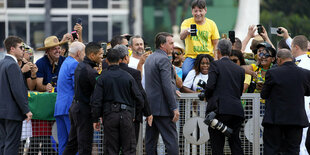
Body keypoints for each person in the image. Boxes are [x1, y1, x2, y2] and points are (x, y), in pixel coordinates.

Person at [92, 49, 144, 154]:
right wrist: (134, 114)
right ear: (119, 60)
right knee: (128, 149)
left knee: (111, 150)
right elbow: (139, 98)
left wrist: (95, 119)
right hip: (126, 115)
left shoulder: (102, 78)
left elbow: (96, 100)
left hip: (109, 116)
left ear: (106, 61)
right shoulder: (128, 77)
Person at [261, 49, 310, 155]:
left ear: (278, 59)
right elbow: (307, 92)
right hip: (296, 120)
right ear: (291, 58)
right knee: (293, 150)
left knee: (271, 149)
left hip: (275, 119)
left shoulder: (272, 73)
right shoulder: (305, 73)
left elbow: (264, 95)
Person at [204, 39, 245, 154]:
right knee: (235, 143)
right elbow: (240, 91)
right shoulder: (240, 70)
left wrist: (206, 95)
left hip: (219, 111)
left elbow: (210, 86)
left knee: (217, 145)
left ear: (218, 52)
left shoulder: (215, 65)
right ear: (230, 51)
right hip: (236, 110)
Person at [63, 42, 103, 155]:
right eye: (100, 54)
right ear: (92, 55)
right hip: (83, 111)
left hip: (75, 107)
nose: (102, 56)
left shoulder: (81, 66)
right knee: (85, 146)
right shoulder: (90, 71)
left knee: (73, 144)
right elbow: (98, 91)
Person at [144, 32, 180, 155]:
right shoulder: (164, 59)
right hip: (163, 109)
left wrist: (173, 89)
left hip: (151, 108)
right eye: (170, 43)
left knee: (150, 142)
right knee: (171, 141)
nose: (173, 46)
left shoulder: (149, 58)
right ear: (162, 45)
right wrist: (174, 107)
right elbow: (166, 85)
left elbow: (157, 83)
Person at [31, 36, 67, 154]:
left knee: (60, 137)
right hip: (45, 109)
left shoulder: (64, 60)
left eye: (59, 48)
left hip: (60, 105)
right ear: (47, 52)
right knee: (40, 140)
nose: (58, 51)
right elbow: (38, 85)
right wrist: (45, 87)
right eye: (54, 49)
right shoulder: (40, 63)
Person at [113, 44, 153, 143]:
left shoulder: (106, 73)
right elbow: (140, 94)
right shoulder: (134, 73)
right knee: (129, 147)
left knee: (112, 147)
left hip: (110, 115)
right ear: (126, 57)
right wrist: (147, 113)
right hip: (131, 116)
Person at [0, 36, 32, 155]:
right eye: (21, 47)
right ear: (12, 49)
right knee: (11, 146)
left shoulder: (2, 63)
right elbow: (17, 90)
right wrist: (26, 110)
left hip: (2, 112)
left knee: (3, 145)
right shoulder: (13, 65)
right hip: (12, 114)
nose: (23, 50)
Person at [54, 41, 85, 155]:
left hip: (60, 107)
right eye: (84, 52)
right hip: (70, 108)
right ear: (78, 53)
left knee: (63, 143)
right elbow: (77, 86)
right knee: (74, 142)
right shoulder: (75, 64)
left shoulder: (66, 62)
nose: (85, 55)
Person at [180, 0, 220, 79]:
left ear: (205, 10)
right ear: (192, 11)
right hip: (191, 56)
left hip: (208, 55)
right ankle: (187, 90)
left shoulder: (211, 24)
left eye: (200, 11)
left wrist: (215, 58)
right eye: (195, 11)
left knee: (217, 73)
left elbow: (216, 43)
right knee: (185, 73)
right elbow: (181, 37)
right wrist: (187, 31)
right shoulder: (187, 22)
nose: (198, 14)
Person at [290, 35, 310, 155]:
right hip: (305, 105)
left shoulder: (298, 65)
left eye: (291, 47)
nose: (291, 50)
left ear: (296, 47)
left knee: (301, 140)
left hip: (301, 105)